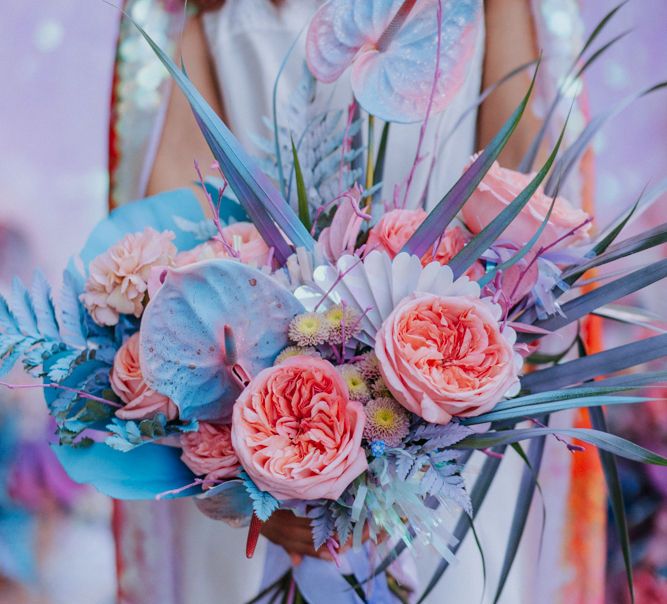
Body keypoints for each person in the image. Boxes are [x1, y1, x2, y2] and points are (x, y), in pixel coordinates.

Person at [109, 1, 598, 602]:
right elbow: (175, 240)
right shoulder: (183, 9)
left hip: (445, 438)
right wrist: (264, 475)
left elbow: (526, 203)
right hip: (251, 430)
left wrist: (425, 396)